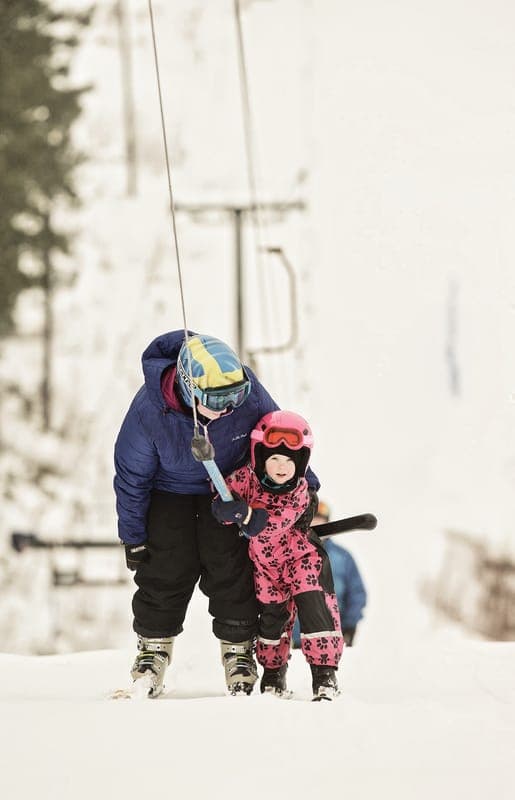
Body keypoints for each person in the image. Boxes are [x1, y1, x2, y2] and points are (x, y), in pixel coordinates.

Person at [114, 330, 320, 698]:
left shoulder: (247, 397)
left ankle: (238, 650)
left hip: (230, 491)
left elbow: (275, 433)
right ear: (188, 389)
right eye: (217, 399)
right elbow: (132, 477)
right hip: (169, 492)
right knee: (166, 568)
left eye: (235, 396)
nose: (229, 408)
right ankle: (152, 649)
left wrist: (305, 493)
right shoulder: (149, 411)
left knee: (231, 566)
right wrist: (133, 535)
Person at [212, 410, 343, 701]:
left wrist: (245, 514)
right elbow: (222, 492)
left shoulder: (300, 491)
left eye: (289, 460)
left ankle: (324, 674)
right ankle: (273, 673)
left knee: (314, 610)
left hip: (301, 560)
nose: (282, 467)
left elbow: (267, 525)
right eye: (274, 459)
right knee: (272, 620)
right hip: (267, 567)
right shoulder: (247, 478)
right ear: (260, 457)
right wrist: (223, 508)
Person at [292, 500, 367, 648]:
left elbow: (357, 593)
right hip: (295, 641)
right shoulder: (289, 553)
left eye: (321, 519)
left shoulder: (342, 557)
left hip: (331, 640)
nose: (317, 523)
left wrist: (350, 625)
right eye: (313, 518)